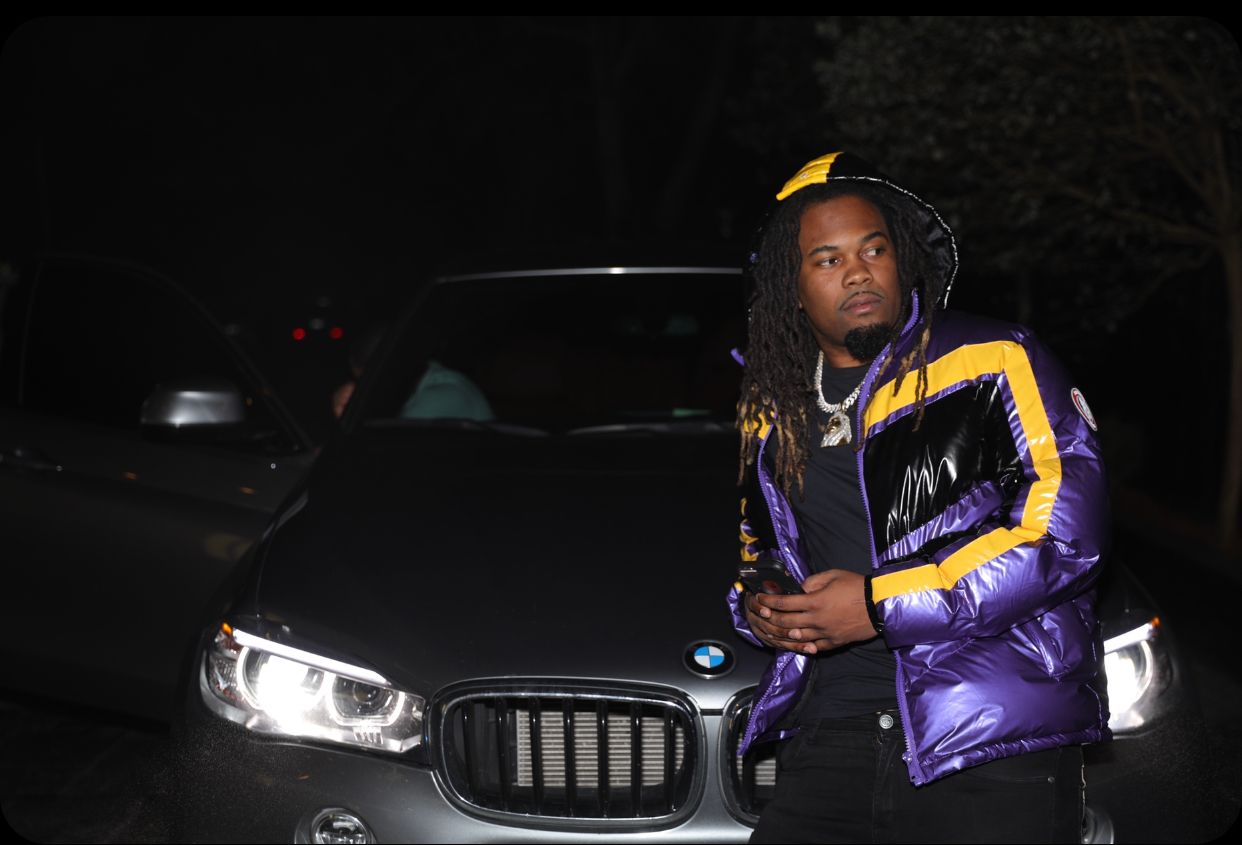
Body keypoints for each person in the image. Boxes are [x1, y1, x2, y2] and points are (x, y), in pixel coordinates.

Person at [727, 151, 1110, 843]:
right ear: (791, 286)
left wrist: (879, 606)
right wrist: (763, 607)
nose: (858, 272)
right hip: (831, 732)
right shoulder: (771, 406)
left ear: (902, 260)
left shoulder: (995, 358)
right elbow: (763, 549)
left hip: (987, 736)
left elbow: (1062, 538)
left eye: (873, 249)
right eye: (827, 259)